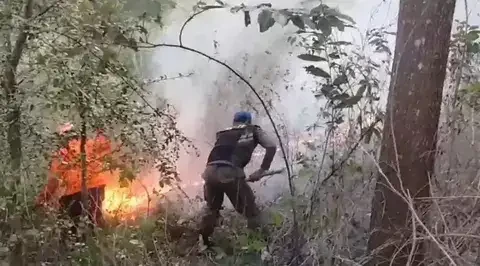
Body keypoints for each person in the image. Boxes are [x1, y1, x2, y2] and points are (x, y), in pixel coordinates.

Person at [198, 111, 277, 245]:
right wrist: (262, 169)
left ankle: (203, 242)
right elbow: (271, 146)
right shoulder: (253, 130)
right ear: (248, 121)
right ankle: (265, 245)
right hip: (229, 172)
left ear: (234, 122)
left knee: (212, 209)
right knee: (251, 211)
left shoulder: (222, 133)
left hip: (209, 172)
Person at [36, 123, 111, 237]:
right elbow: (105, 144)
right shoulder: (88, 144)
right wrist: (100, 127)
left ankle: (76, 246)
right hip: (96, 188)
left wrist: (42, 199)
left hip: (79, 192)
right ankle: (103, 239)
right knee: (94, 218)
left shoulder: (61, 154)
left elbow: (54, 181)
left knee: (69, 225)